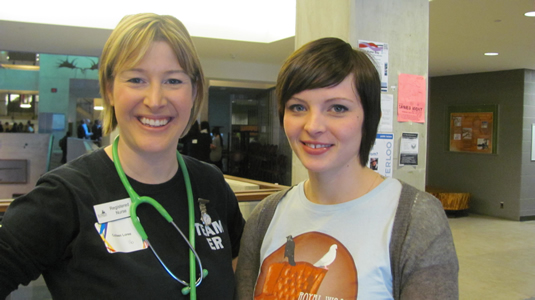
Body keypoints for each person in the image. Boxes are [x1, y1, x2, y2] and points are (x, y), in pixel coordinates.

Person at [0, 13, 245, 299]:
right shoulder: (66, 194)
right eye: (137, 79)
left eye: (174, 81)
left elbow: (241, 273)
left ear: (194, 93)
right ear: (109, 90)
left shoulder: (211, 184)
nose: (155, 100)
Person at [235, 38, 458, 300]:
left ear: (369, 117)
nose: (313, 125)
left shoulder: (414, 219)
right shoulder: (266, 216)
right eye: (298, 107)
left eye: (337, 108)